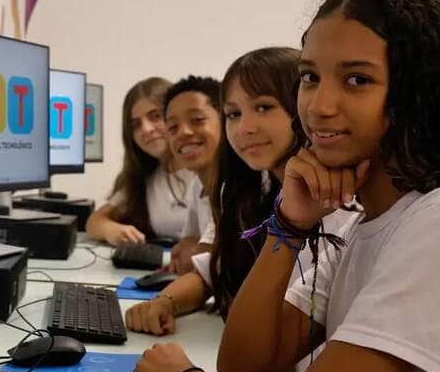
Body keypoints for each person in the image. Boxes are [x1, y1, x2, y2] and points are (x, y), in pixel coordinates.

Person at [135, 0, 440, 372]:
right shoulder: (354, 227)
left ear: (419, 93)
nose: (318, 106)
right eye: (310, 77)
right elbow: (244, 364)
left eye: (357, 80)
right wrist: (288, 224)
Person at [126, 47, 308, 335]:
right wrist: (165, 302)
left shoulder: (332, 210)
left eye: (263, 107)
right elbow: (214, 268)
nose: (245, 127)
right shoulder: (247, 190)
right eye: (234, 113)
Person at [87, 77, 195, 246]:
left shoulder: (207, 169)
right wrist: (112, 230)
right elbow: (95, 221)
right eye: (136, 124)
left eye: (155, 116)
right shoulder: (145, 176)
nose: (146, 129)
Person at [161, 75, 223, 274]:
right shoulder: (197, 184)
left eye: (197, 120)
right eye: (173, 127)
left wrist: (193, 253)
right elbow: (186, 244)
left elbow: (199, 260)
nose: (183, 132)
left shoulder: (237, 185)